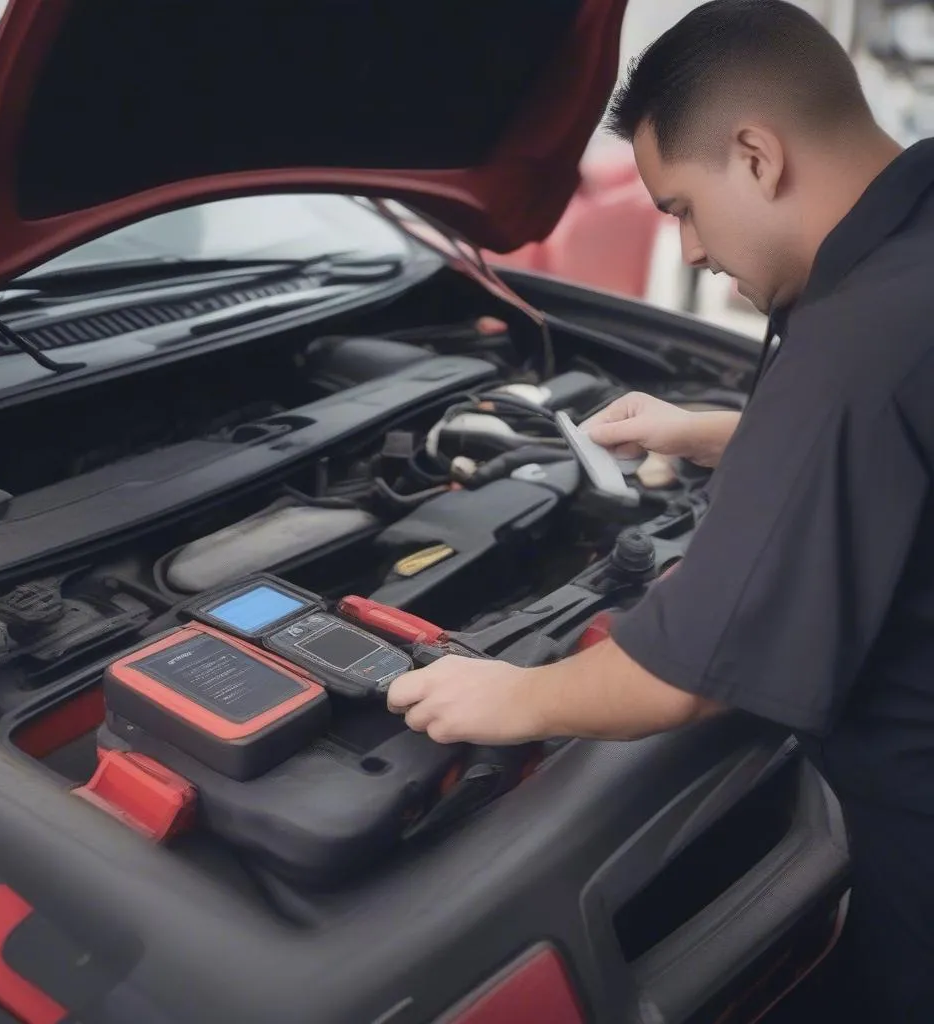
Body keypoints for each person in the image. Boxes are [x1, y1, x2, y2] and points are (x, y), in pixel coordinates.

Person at [385, 1, 934, 1019]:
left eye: (678, 205)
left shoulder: (856, 340)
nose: (683, 250)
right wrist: (728, 431)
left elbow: (690, 675)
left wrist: (511, 694)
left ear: (756, 155)